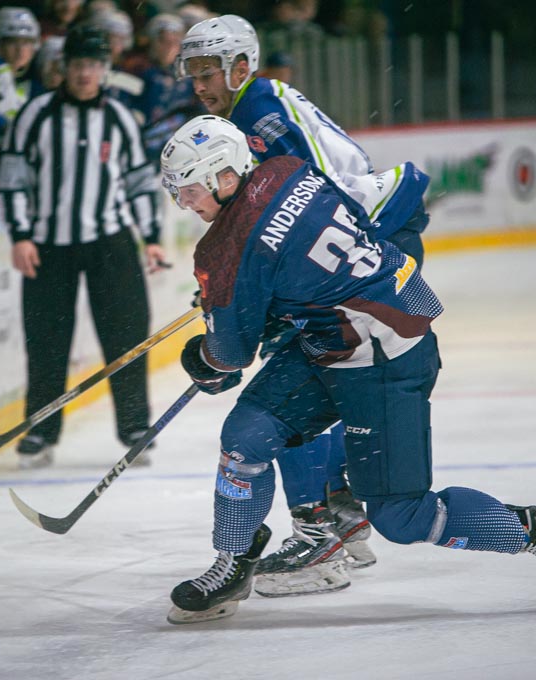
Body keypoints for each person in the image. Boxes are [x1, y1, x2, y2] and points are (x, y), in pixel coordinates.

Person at [159, 114, 536, 623]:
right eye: (177, 193)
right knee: (246, 437)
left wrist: (203, 357)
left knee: (400, 514)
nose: (185, 203)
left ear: (224, 174)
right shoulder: (286, 169)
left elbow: (230, 356)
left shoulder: (224, 252)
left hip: (387, 358)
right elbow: (379, 206)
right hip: (344, 336)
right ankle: (233, 562)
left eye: (189, 189)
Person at [177, 13, 433, 593]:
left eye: (207, 72)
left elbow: (314, 202)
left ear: (241, 66)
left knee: (300, 372)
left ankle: (320, 531)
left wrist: (253, 279)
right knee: (310, 372)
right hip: (363, 236)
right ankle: (341, 512)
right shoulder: (247, 110)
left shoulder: (258, 115)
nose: (199, 85)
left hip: (371, 239)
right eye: (192, 74)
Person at [0, 26, 168, 468]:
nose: (85, 73)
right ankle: (41, 430)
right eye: (77, 65)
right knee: (46, 340)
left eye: (93, 65)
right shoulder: (34, 115)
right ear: (64, 67)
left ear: (104, 69)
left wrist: (151, 238)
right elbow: (13, 179)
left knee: (127, 334)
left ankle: (135, 426)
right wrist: (20, 235)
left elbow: (139, 183)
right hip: (48, 245)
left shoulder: (121, 118)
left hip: (110, 241)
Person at [123, 13, 200, 166]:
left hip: (179, 151)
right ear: (152, 41)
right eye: (162, 41)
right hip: (141, 148)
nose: (169, 47)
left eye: (174, 41)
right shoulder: (135, 69)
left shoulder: (189, 74)